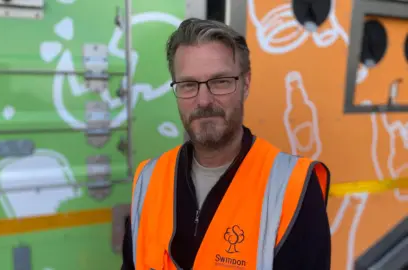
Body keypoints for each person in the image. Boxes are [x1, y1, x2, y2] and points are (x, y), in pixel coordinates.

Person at [121, 18, 331, 270]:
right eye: (188, 84)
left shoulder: (293, 187)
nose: (204, 100)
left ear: (245, 85)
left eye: (220, 81)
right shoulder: (148, 179)